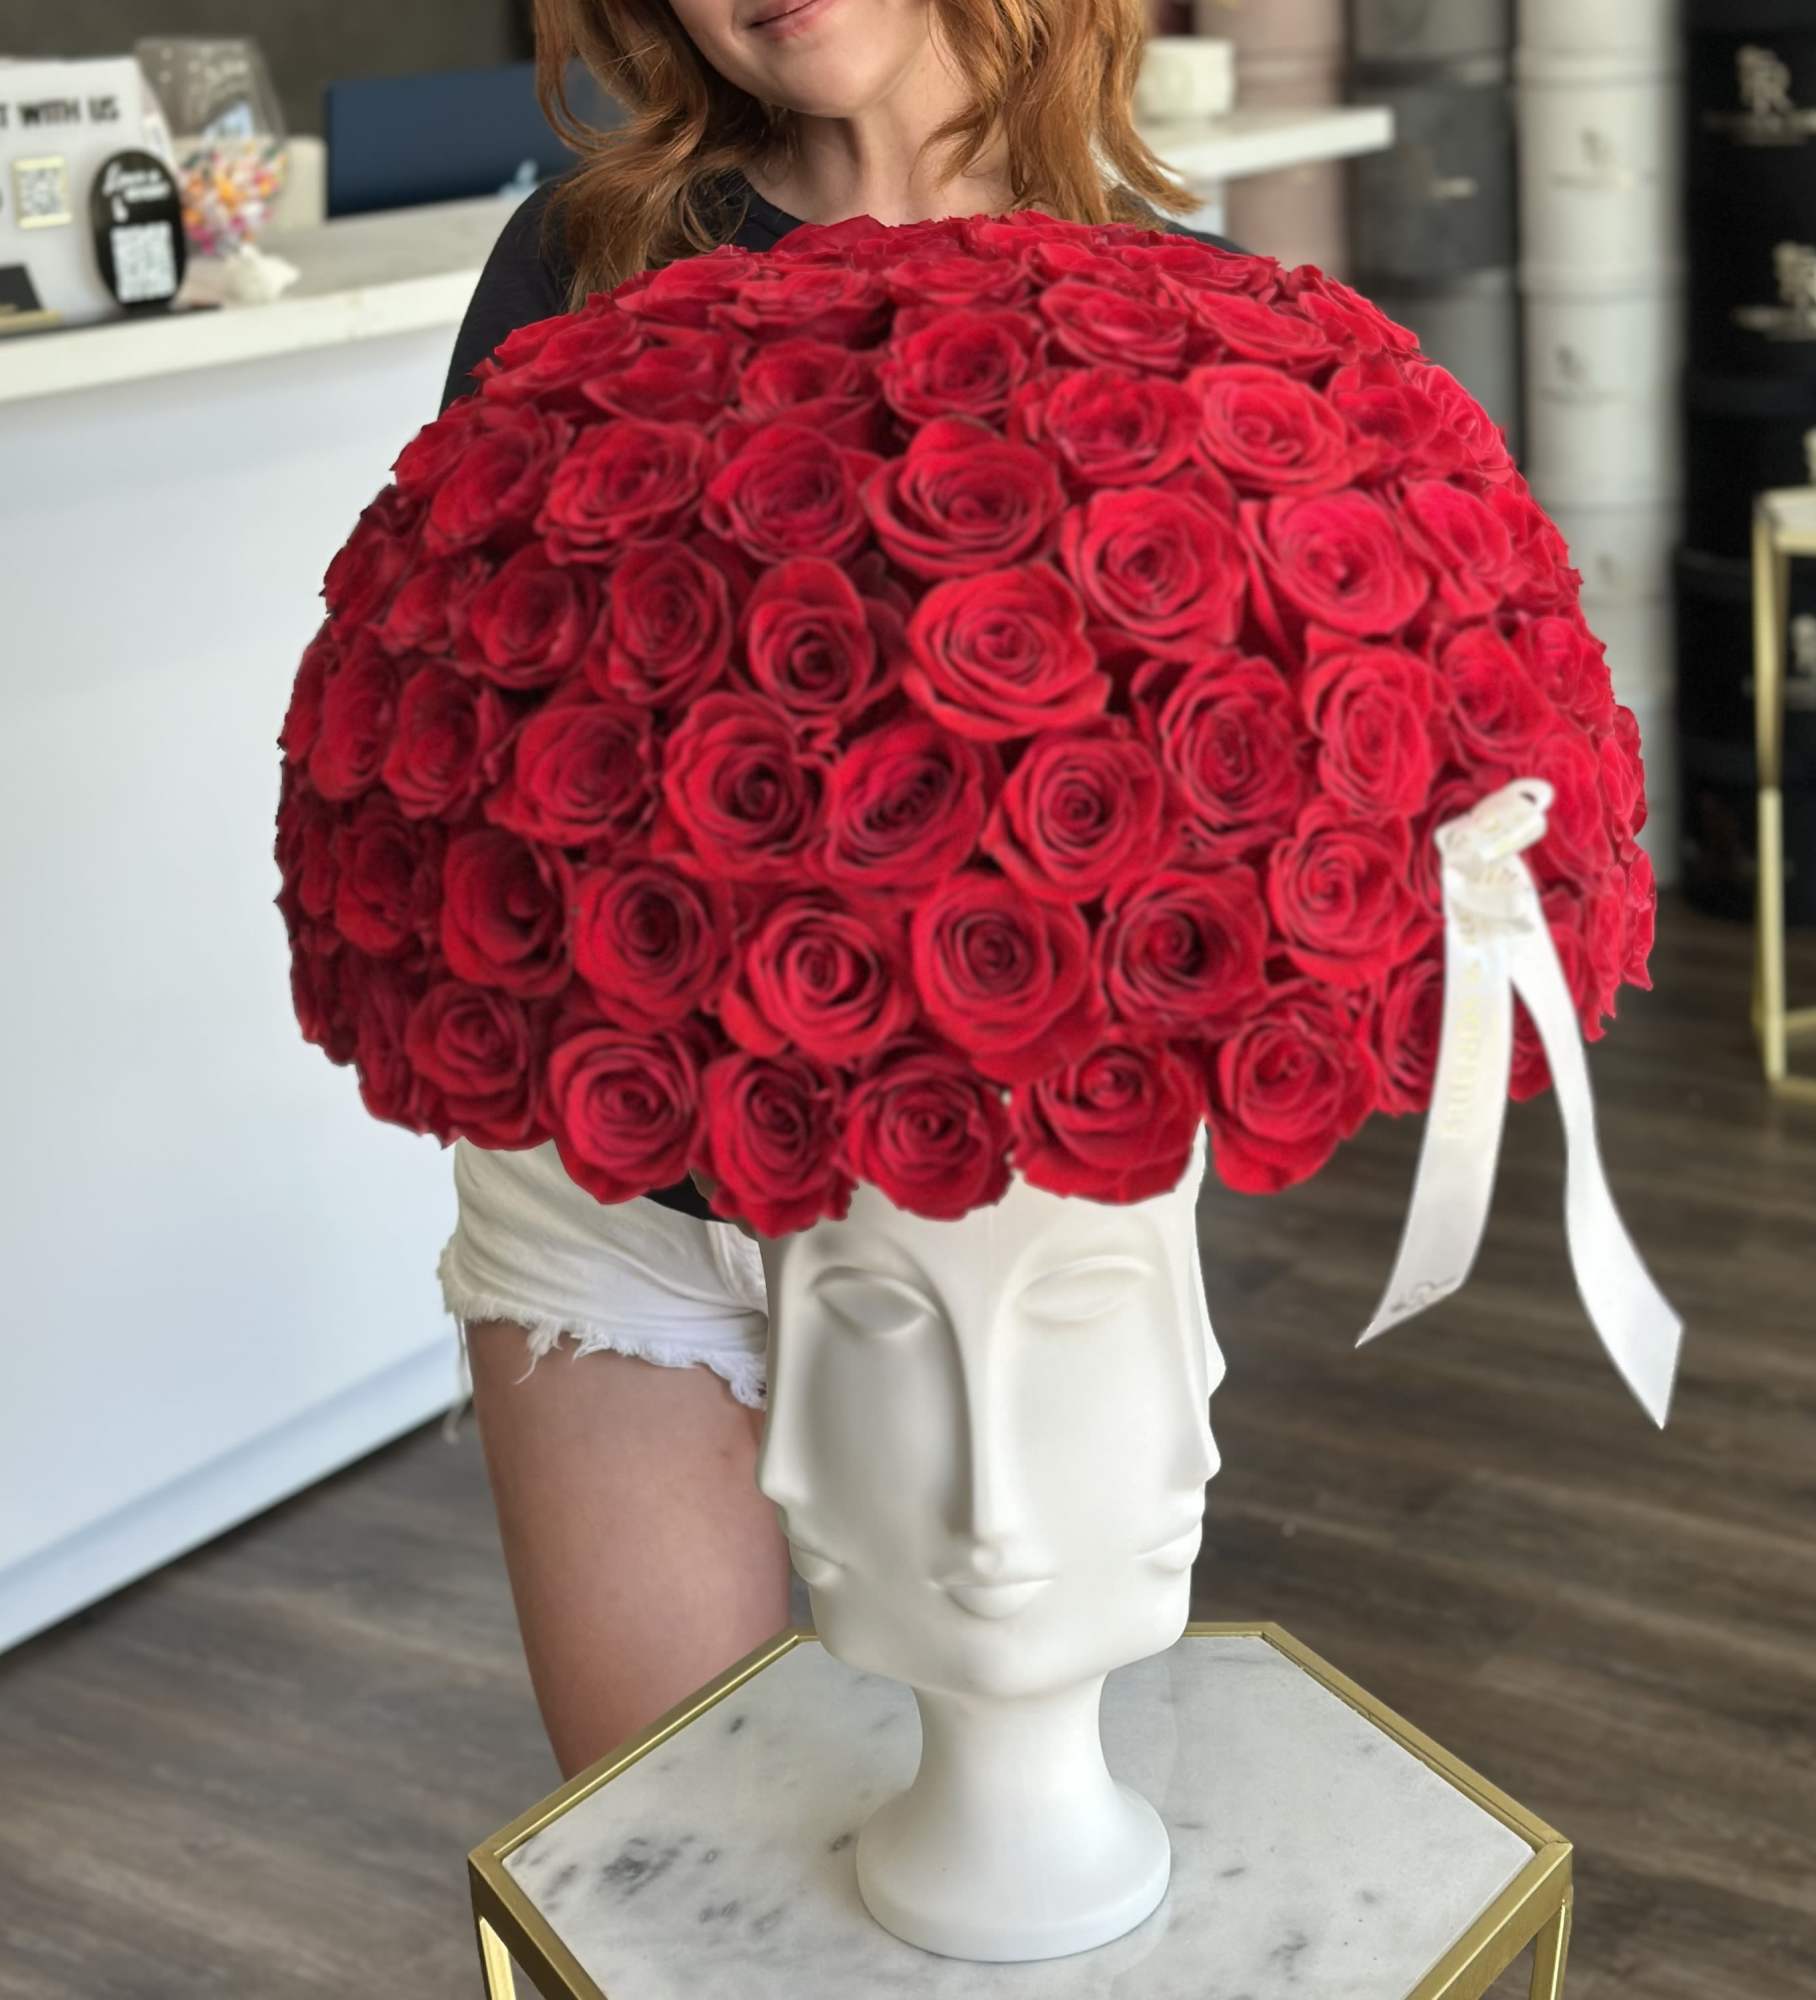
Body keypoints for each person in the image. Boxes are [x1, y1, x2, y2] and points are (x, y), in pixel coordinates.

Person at [434, 0, 1239, 1780]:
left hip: (995, 1236)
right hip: (613, 1187)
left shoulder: (1183, 311)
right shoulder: (584, 263)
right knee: (657, 1848)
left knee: (1004, 1868)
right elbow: (451, 723)